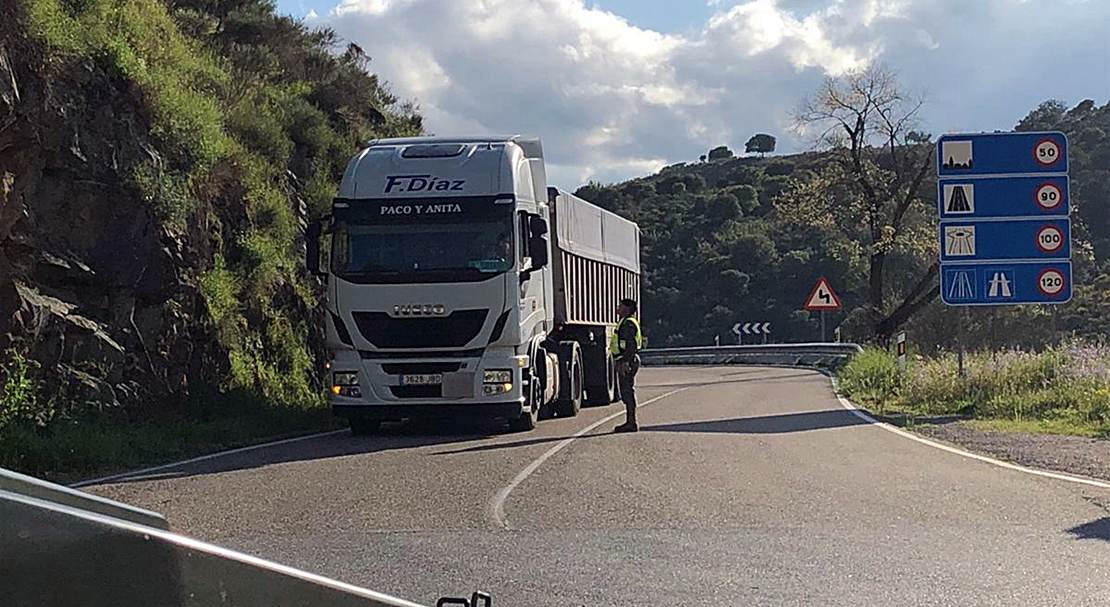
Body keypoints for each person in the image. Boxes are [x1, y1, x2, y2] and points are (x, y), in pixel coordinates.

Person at [611, 298, 642, 433]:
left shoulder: (628, 324)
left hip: (627, 360)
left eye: (621, 306)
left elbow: (631, 345)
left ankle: (631, 423)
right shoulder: (626, 322)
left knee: (627, 391)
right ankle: (630, 422)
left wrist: (625, 362)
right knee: (626, 391)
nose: (618, 308)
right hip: (627, 359)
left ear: (628, 309)